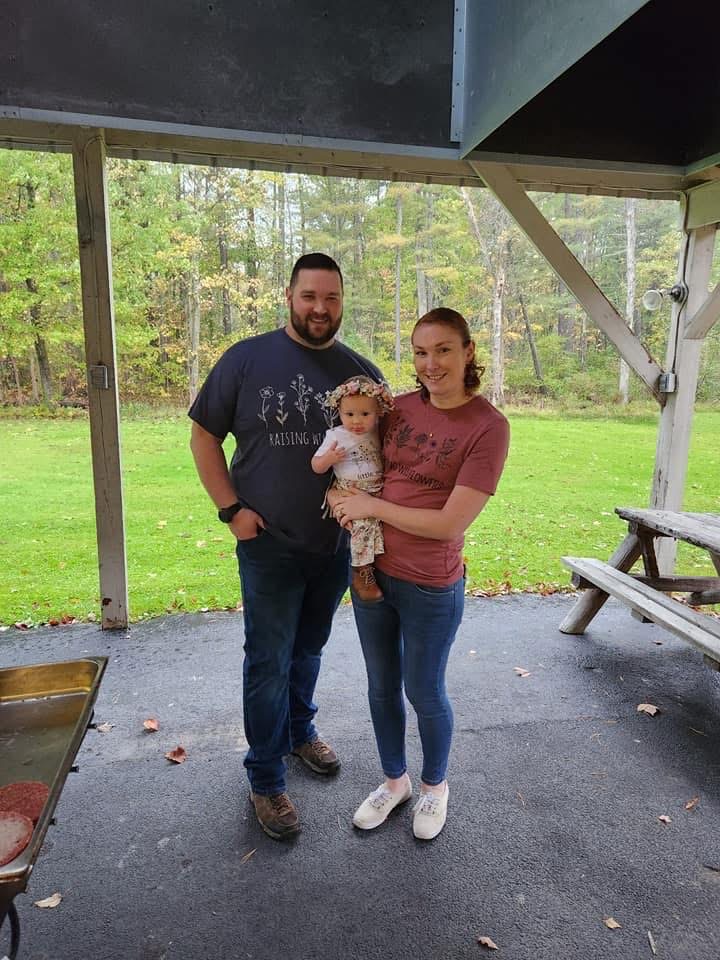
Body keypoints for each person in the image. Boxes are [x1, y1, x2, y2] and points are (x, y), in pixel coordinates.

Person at [189, 253, 383, 841]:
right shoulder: (246, 360)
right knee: (268, 660)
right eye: (309, 296)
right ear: (290, 297)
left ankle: (300, 731)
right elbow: (203, 436)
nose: (320, 308)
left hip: (333, 544)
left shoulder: (361, 374)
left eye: (331, 297)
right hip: (268, 541)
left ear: (342, 301)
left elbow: (389, 453)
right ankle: (266, 778)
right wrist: (232, 511)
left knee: (308, 648)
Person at [331, 307, 509, 841]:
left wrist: (370, 507)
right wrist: (340, 495)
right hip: (371, 572)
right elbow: (356, 453)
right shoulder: (399, 409)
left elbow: (450, 522)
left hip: (431, 581)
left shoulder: (488, 427)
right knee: (381, 686)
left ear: (468, 351)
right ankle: (395, 782)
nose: (431, 364)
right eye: (420, 352)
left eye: (443, 350)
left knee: (424, 690)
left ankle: (435, 787)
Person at [311, 375, 394, 603]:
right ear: (339, 412)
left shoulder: (378, 431)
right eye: (349, 414)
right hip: (351, 489)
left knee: (384, 523)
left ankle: (378, 564)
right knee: (362, 525)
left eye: (365, 414)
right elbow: (316, 465)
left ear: (378, 413)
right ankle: (361, 571)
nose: (357, 421)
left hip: (377, 487)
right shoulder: (336, 436)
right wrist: (329, 458)